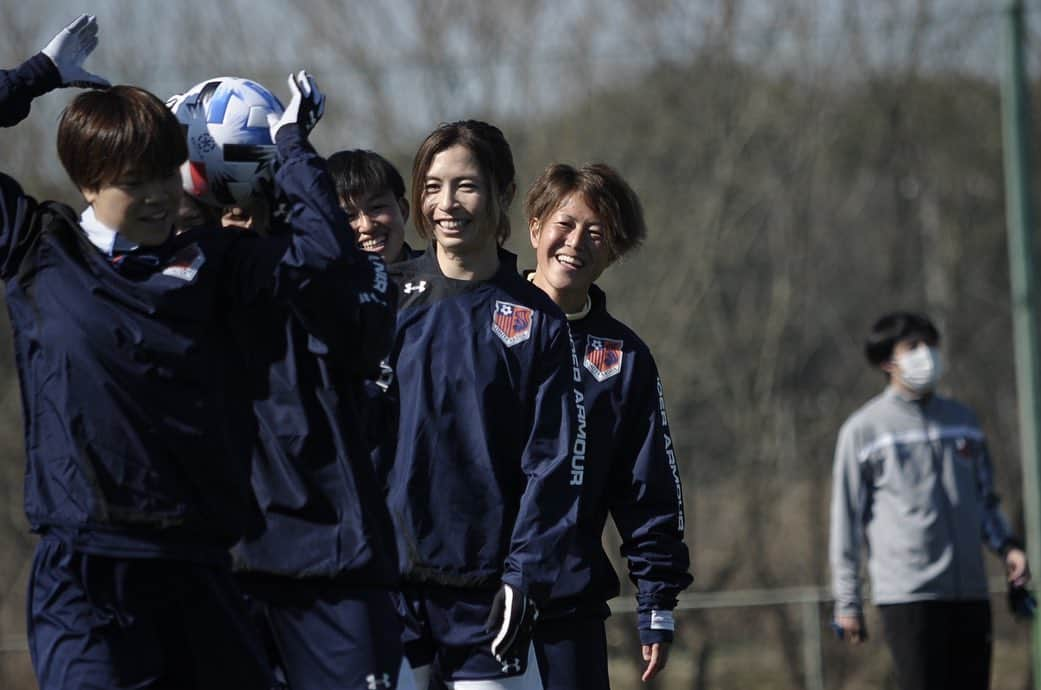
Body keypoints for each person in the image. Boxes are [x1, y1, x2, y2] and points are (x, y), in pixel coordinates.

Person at [1, 16, 363, 689]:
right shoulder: (35, 249)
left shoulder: (214, 264)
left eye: (168, 173)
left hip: (198, 569)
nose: (161, 194)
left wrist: (288, 150)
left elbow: (327, 258)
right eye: (137, 180)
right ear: (88, 182)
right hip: (86, 579)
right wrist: (32, 79)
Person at [169, 76, 413, 690]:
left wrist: (290, 149)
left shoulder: (331, 269)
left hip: (333, 559)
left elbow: (327, 263)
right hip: (229, 563)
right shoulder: (200, 272)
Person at [381, 120, 582, 690]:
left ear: (502, 195)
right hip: (389, 587)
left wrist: (524, 576)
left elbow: (554, 465)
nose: (446, 203)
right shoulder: (386, 300)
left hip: (486, 595)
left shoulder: (537, 320)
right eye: (432, 186)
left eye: (465, 186)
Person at [523, 163, 692, 689]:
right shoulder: (481, 321)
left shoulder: (623, 357)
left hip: (568, 610)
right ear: (535, 227)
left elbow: (648, 488)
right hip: (471, 602)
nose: (575, 242)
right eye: (564, 224)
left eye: (596, 233)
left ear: (613, 252)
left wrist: (656, 599)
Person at [829, 311, 1031, 690]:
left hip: (970, 591)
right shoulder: (863, 431)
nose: (927, 354)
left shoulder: (963, 421)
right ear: (888, 360)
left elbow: (985, 499)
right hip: (909, 595)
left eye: (931, 345)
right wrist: (847, 602)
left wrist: (1009, 548)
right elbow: (846, 522)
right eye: (914, 346)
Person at [327, 149, 421, 263]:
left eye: (376, 208)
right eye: (349, 216)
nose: (367, 226)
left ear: (403, 210)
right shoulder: (316, 280)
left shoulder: (440, 272)